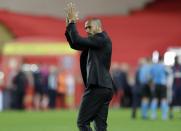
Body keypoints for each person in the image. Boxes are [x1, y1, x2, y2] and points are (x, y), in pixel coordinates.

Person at [65, 3, 114, 131]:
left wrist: (72, 22)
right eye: (85, 28)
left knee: (82, 122)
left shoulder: (101, 39)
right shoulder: (97, 42)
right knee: (100, 125)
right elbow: (75, 44)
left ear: (98, 27)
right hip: (105, 87)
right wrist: (68, 26)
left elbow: (78, 40)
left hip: (97, 87)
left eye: (89, 27)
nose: (86, 30)